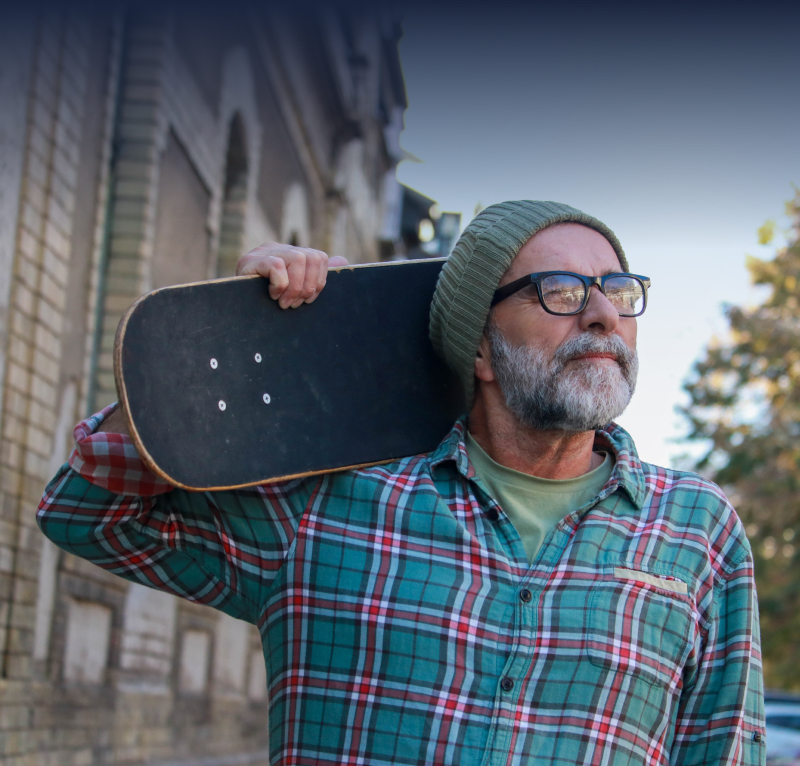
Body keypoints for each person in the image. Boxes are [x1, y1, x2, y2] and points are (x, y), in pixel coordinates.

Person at [38, 201, 765, 765]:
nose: (604, 314)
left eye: (618, 291)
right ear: (479, 349)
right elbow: (84, 511)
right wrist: (240, 340)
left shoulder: (695, 531)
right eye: (562, 291)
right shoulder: (328, 502)